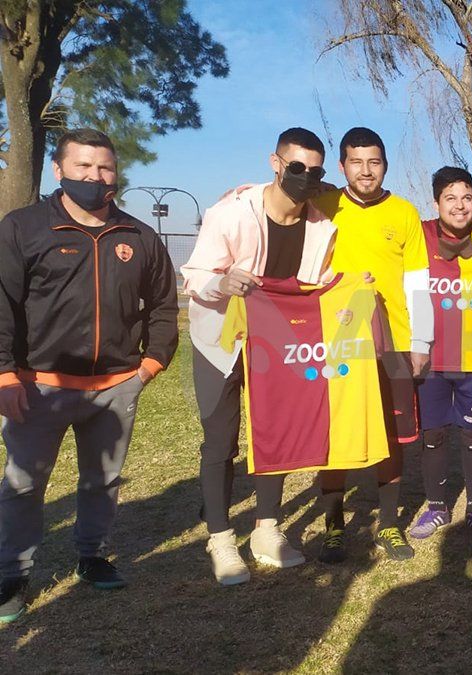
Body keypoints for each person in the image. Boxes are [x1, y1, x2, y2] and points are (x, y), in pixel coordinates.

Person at [0, 129, 179, 622]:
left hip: (115, 388)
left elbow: (164, 306)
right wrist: (5, 376)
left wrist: (150, 364)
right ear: (59, 170)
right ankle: (12, 573)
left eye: (104, 168)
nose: (94, 176)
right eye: (83, 166)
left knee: (102, 480)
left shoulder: (138, 236)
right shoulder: (23, 228)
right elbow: (2, 305)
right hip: (39, 386)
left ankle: (92, 555)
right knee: (23, 484)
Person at [182, 127, 336, 584]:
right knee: (220, 440)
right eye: (297, 167)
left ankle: (266, 529)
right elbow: (194, 275)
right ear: (275, 163)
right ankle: (220, 538)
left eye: (315, 171)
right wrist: (222, 282)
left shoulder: (321, 226)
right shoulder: (231, 213)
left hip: (279, 345)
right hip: (220, 342)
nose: (306, 177)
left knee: (276, 433)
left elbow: (318, 284)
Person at [310, 127, 433, 564]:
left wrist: (421, 341)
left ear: (385, 165)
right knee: (335, 431)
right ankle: (334, 526)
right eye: (356, 162)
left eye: (374, 162)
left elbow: (417, 282)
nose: (366, 171)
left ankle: (389, 524)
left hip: (393, 341)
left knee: (393, 435)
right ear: (342, 166)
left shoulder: (404, 213)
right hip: (338, 342)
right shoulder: (322, 208)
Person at [408, 166, 472, 541]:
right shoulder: (418, 232)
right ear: (436, 203)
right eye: (450, 198)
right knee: (432, 435)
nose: (460, 205)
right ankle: (436, 508)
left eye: (467, 197)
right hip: (430, 361)